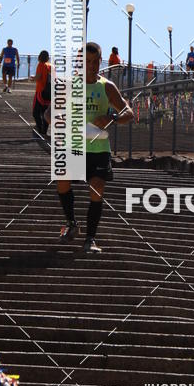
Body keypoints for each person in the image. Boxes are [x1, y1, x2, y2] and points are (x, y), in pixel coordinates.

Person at [52, 42, 133, 254]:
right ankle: (71, 223)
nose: (91, 66)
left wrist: (112, 117)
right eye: (86, 62)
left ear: (101, 61)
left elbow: (129, 113)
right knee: (62, 180)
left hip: (99, 148)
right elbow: (49, 113)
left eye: (95, 61)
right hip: (74, 144)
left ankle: (90, 238)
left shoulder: (107, 86)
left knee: (97, 188)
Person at [32, 50, 51, 137]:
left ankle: (39, 128)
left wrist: (33, 79)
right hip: (49, 93)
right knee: (45, 112)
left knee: (36, 112)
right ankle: (44, 130)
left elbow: (38, 77)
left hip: (40, 91)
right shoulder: (50, 66)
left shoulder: (41, 65)